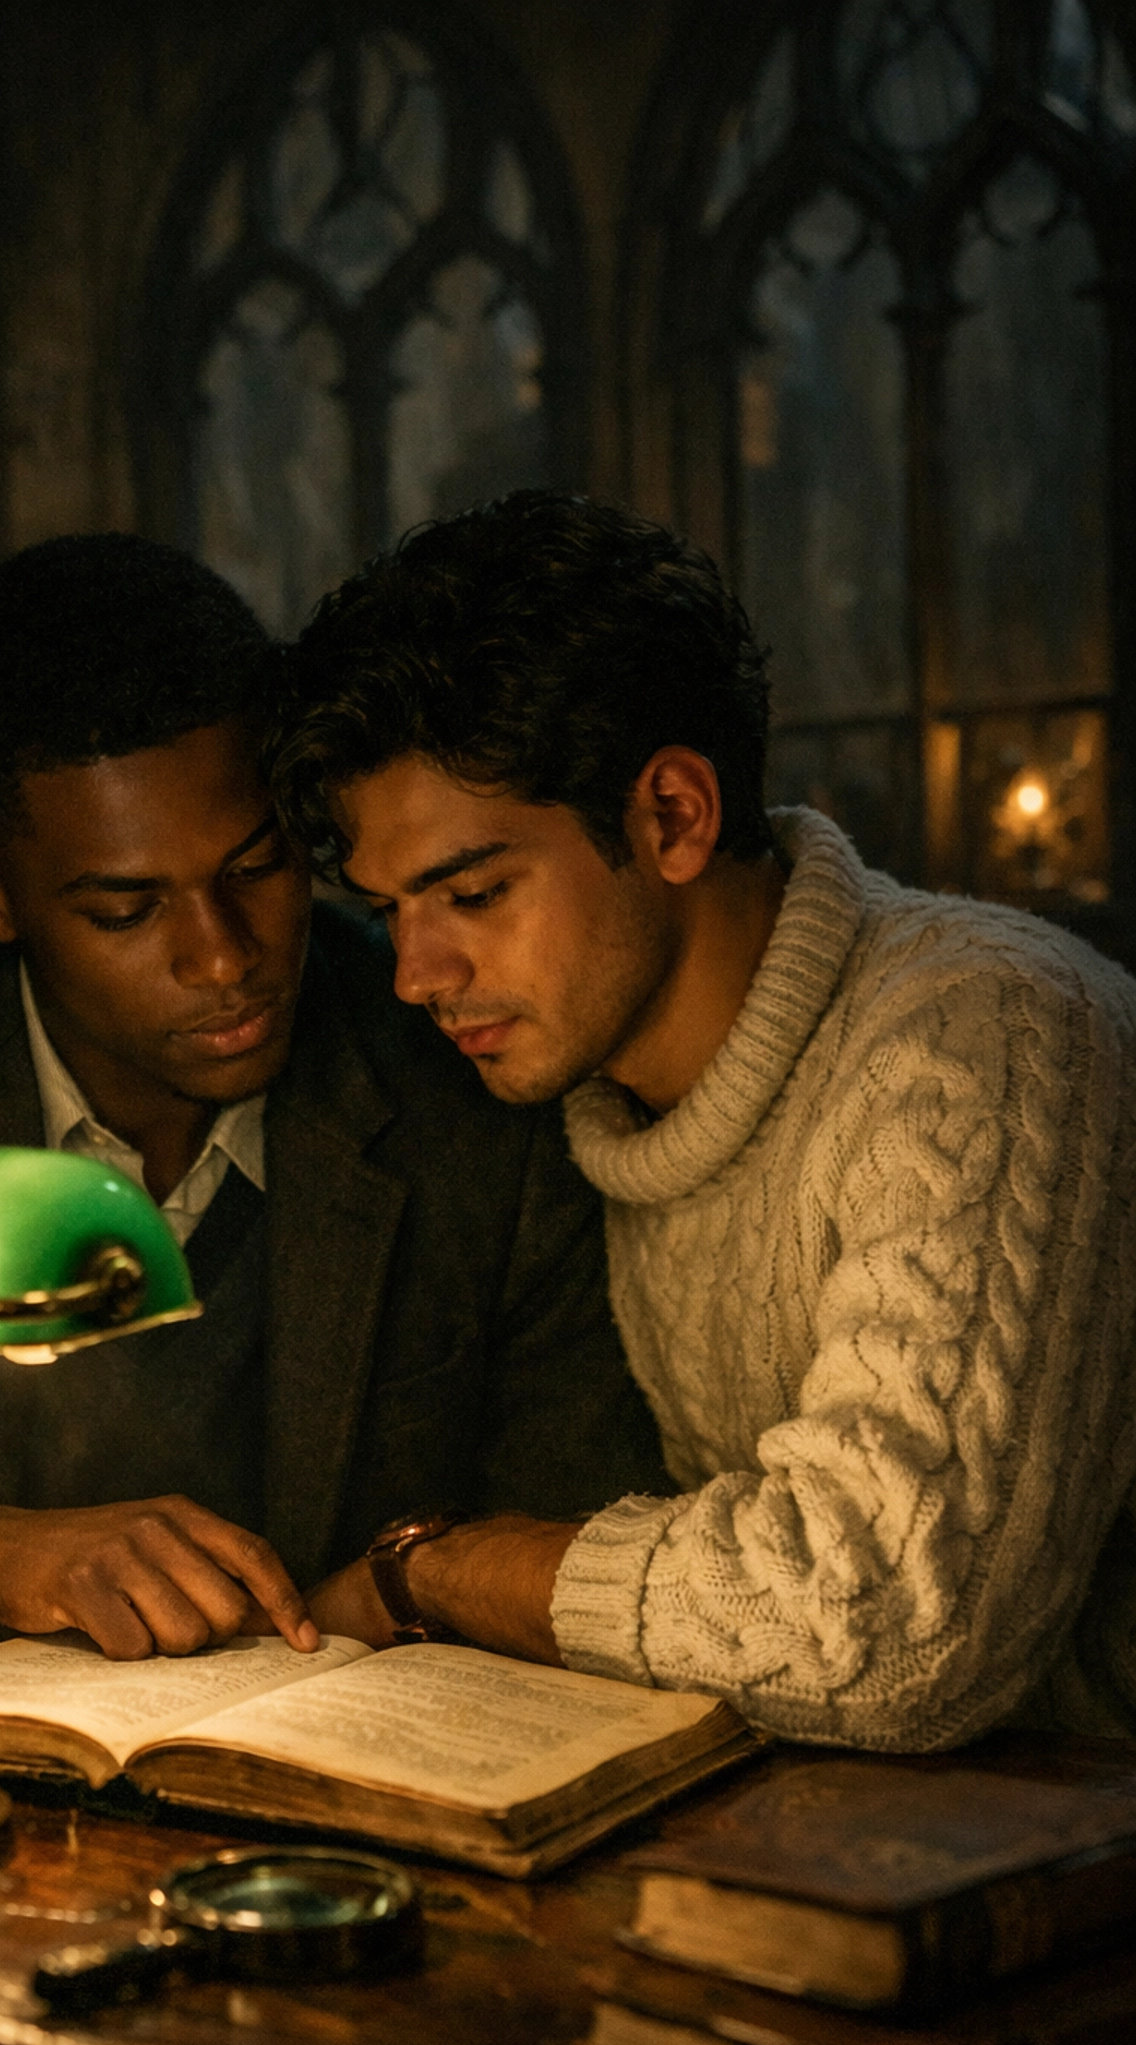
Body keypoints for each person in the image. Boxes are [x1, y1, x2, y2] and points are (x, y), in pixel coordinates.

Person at [0, 533, 663, 1658]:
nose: (223, 958)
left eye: (257, 868)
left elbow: (578, 1522)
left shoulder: (460, 1067)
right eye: (126, 910)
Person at [266, 490, 1136, 1749]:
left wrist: (431, 1571)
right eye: (388, 911)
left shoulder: (986, 1031)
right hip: (866, 1821)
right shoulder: (592, 1102)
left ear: (672, 815)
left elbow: (892, 1626)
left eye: (476, 892)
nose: (416, 976)